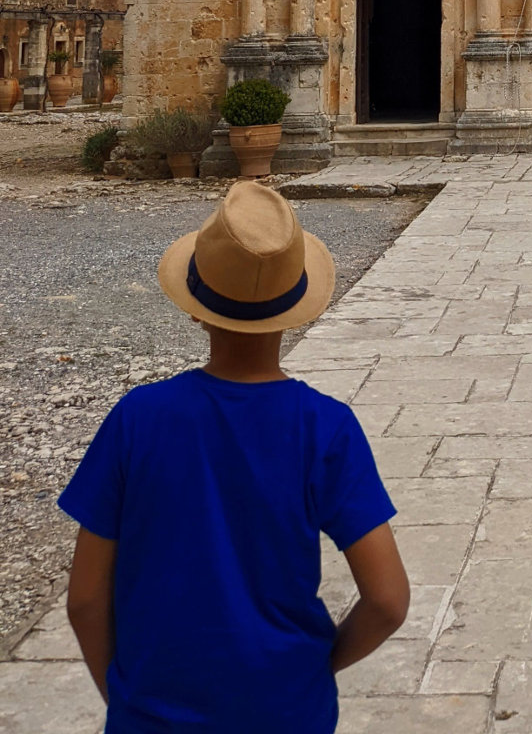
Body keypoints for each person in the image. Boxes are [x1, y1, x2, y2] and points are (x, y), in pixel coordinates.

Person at [58, 179, 409, 732]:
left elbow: (83, 600)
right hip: (289, 710)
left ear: (197, 309)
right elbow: (388, 601)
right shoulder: (325, 428)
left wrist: (123, 698)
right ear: (296, 309)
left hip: (151, 710)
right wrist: (315, 669)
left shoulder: (138, 418)